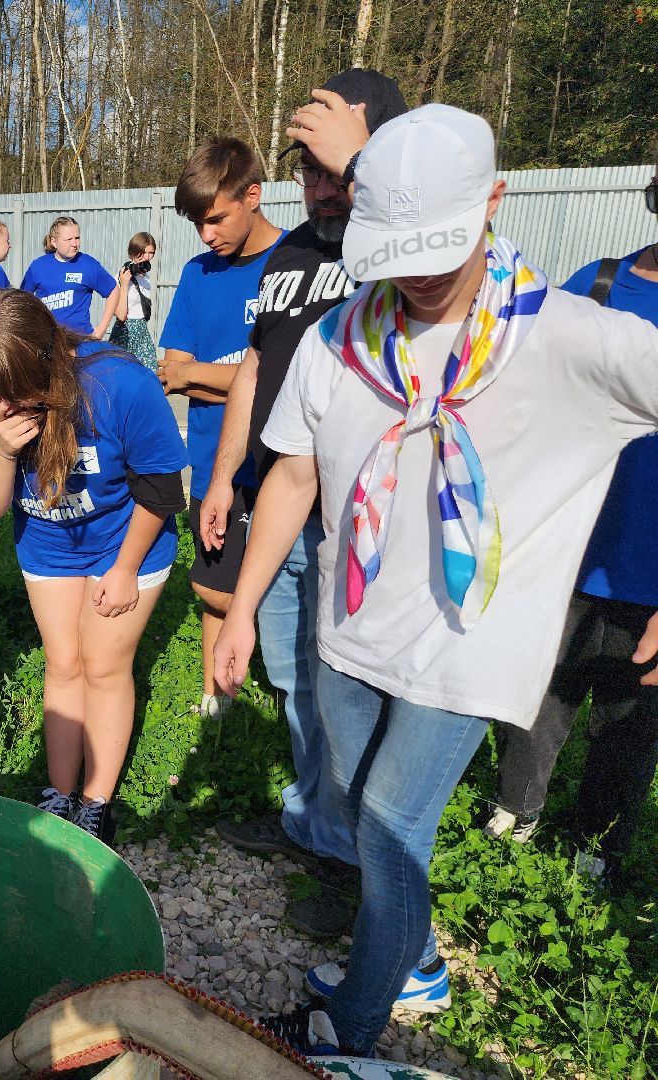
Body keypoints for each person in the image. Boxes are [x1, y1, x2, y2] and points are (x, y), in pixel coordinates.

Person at [211, 105, 658, 1057]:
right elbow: (293, 473)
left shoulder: (577, 339)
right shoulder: (342, 337)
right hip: (352, 623)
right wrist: (242, 607)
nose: (414, 273)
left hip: (468, 642)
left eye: (436, 248)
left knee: (389, 824)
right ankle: (403, 952)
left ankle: (350, 1026)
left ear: (494, 202)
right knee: (346, 791)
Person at [199, 70, 408, 941]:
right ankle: (312, 820)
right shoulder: (289, 255)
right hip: (273, 504)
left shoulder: (395, 251)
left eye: (336, 170)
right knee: (293, 681)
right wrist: (221, 475)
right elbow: (254, 368)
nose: (320, 188)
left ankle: (354, 859)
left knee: (347, 698)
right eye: (310, 171)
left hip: (354, 522)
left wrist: (369, 169)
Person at [0, 290, 188, 842]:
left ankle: (96, 801)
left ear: (48, 359)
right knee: (63, 664)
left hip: (128, 542)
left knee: (103, 666)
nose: (7, 406)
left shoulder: (120, 382)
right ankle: (59, 796)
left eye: (19, 392)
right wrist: (4, 451)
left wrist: (125, 568)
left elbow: (161, 490)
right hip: (48, 547)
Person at [482, 163, 658, 882]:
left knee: (629, 723)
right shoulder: (601, 285)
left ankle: (599, 847)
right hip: (566, 549)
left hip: (650, 576)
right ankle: (512, 816)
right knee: (538, 697)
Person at [157, 137, 285, 718]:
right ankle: (218, 706)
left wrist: (203, 378)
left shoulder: (296, 264)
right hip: (214, 464)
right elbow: (171, 371)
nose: (206, 236)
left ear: (252, 195)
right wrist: (241, 378)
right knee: (213, 592)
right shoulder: (196, 274)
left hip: (286, 467)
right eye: (197, 224)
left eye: (216, 219)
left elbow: (286, 383)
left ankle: (287, 707)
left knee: (288, 595)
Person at [20, 216, 117, 335]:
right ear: (54, 242)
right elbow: (23, 300)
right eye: (69, 239)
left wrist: (101, 330)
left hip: (80, 341)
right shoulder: (38, 266)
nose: (74, 243)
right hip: (47, 341)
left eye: (77, 238)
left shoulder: (88, 264)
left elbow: (113, 290)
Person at [94, 232, 158, 370]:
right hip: (126, 331)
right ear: (133, 253)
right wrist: (124, 285)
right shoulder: (121, 276)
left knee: (151, 372)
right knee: (119, 372)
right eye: (142, 253)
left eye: (151, 253)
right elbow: (121, 315)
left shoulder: (145, 276)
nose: (147, 257)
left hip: (142, 330)